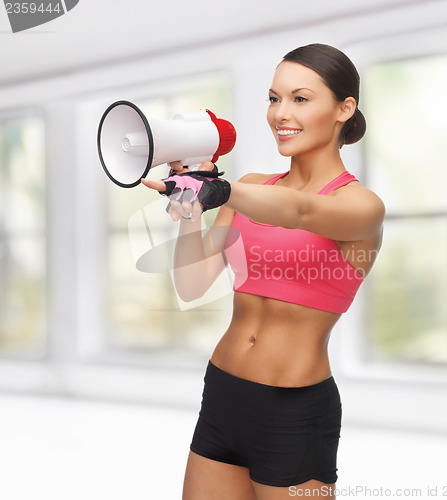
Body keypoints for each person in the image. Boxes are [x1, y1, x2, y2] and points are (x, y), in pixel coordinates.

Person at [142, 43, 385, 500]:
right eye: (274, 98)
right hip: (223, 393)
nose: (280, 113)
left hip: (293, 410)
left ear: (343, 108)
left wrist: (218, 189)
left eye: (301, 98)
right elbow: (192, 284)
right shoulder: (251, 187)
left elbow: (299, 211)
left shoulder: (361, 207)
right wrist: (192, 198)